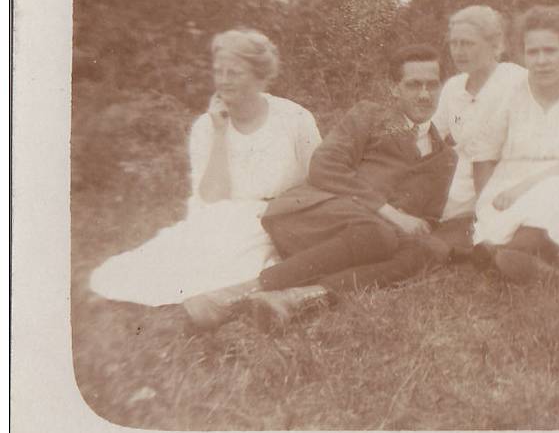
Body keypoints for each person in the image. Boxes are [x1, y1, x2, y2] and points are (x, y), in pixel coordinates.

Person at [181, 44, 457, 330]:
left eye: (432, 85)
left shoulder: (446, 157)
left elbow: (429, 217)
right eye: (413, 85)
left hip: (369, 241)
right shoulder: (368, 116)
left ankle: (297, 298)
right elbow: (325, 166)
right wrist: (389, 212)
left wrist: (417, 229)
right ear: (394, 88)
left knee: (431, 250)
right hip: (311, 218)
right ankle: (233, 296)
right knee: (380, 234)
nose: (424, 94)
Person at [88, 29, 322, 306]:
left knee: (232, 265)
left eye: (233, 73)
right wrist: (221, 132)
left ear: (260, 76)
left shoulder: (293, 118)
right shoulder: (206, 126)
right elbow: (211, 196)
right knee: (171, 261)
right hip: (219, 217)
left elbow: (319, 178)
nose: (223, 81)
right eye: (218, 72)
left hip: (279, 219)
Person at [469, 6, 559, 283]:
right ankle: (509, 256)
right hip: (511, 181)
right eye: (532, 52)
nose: (541, 60)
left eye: (550, 51)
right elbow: (484, 153)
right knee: (496, 214)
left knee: (554, 194)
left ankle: (514, 254)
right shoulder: (510, 92)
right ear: (523, 55)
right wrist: (482, 202)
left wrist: (523, 188)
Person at [430, 6, 527, 257]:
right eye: (454, 44)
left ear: (494, 44)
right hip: (460, 175)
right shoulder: (453, 87)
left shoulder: (516, 81)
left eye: (468, 44)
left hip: (501, 176)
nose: (458, 51)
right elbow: (432, 135)